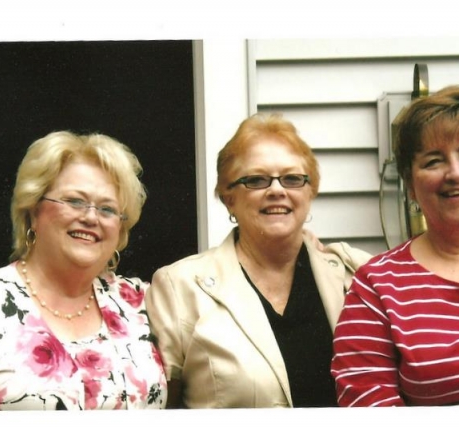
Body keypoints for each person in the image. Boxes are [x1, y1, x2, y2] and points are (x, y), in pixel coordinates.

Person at [145, 113, 372, 408]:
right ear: (229, 198)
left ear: (310, 191)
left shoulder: (355, 274)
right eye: (256, 180)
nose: (277, 190)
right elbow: (163, 411)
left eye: (292, 179)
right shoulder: (180, 287)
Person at [331, 85, 459, 406]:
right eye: (433, 161)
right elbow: (367, 403)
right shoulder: (377, 285)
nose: (455, 172)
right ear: (410, 185)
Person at [0, 131, 167, 410]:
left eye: (107, 209)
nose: (91, 217)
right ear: (33, 210)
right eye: (75, 201)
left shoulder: (143, 302)